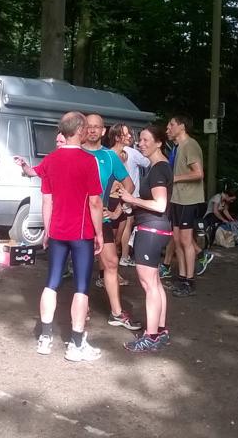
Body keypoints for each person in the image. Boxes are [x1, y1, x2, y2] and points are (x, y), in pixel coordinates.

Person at [33, 111, 105, 361]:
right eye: (86, 128)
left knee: (51, 282)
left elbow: (47, 200)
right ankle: (75, 344)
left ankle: (45, 338)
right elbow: (95, 202)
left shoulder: (50, 160)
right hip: (81, 232)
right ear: (80, 130)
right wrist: (99, 233)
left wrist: (47, 229)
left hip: (57, 231)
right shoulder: (88, 161)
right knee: (81, 287)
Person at [81, 114, 141, 330]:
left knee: (112, 263)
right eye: (88, 126)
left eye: (96, 127)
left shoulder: (109, 156)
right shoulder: (76, 152)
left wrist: (117, 211)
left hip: (102, 218)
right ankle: (81, 308)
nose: (92, 130)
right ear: (83, 129)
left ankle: (117, 313)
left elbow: (129, 185)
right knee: (82, 265)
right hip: (78, 220)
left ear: (103, 131)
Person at [118, 125, 174, 352]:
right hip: (156, 228)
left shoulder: (159, 168)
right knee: (155, 283)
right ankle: (160, 331)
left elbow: (160, 204)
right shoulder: (157, 167)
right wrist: (132, 205)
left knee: (149, 284)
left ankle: (150, 336)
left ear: (159, 143)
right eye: (139, 140)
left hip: (152, 229)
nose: (140, 144)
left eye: (145, 140)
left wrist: (132, 199)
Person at [165, 115, 212, 298]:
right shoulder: (178, 147)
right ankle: (182, 277)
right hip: (177, 199)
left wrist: (175, 178)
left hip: (188, 199)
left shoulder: (190, 145)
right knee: (177, 240)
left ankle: (189, 281)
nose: (168, 128)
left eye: (172, 124)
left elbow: (198, 173)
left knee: (185, 240)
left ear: (182, 126)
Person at [107, 123, 149, 268]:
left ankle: (113, 271)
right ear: (117, 137)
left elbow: (127, 184)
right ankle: (106, 274)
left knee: (117, 241)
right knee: (110, 242)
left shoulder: (124, 154)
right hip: (112, 202)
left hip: (122, 202)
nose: (130, 136)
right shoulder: (110, 155)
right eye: (126, 134)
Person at [203, 183, 237, 248]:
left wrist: (231, 219)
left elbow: (225, 211)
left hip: (218, 216)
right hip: (210, 215)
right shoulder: (217, 197)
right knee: (219, 221)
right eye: (231, 199)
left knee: (228, 223)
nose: (232, 201)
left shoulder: (226, 201)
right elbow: (215, 211)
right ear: (227, 195)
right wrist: (223, 220)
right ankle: (211, 240)